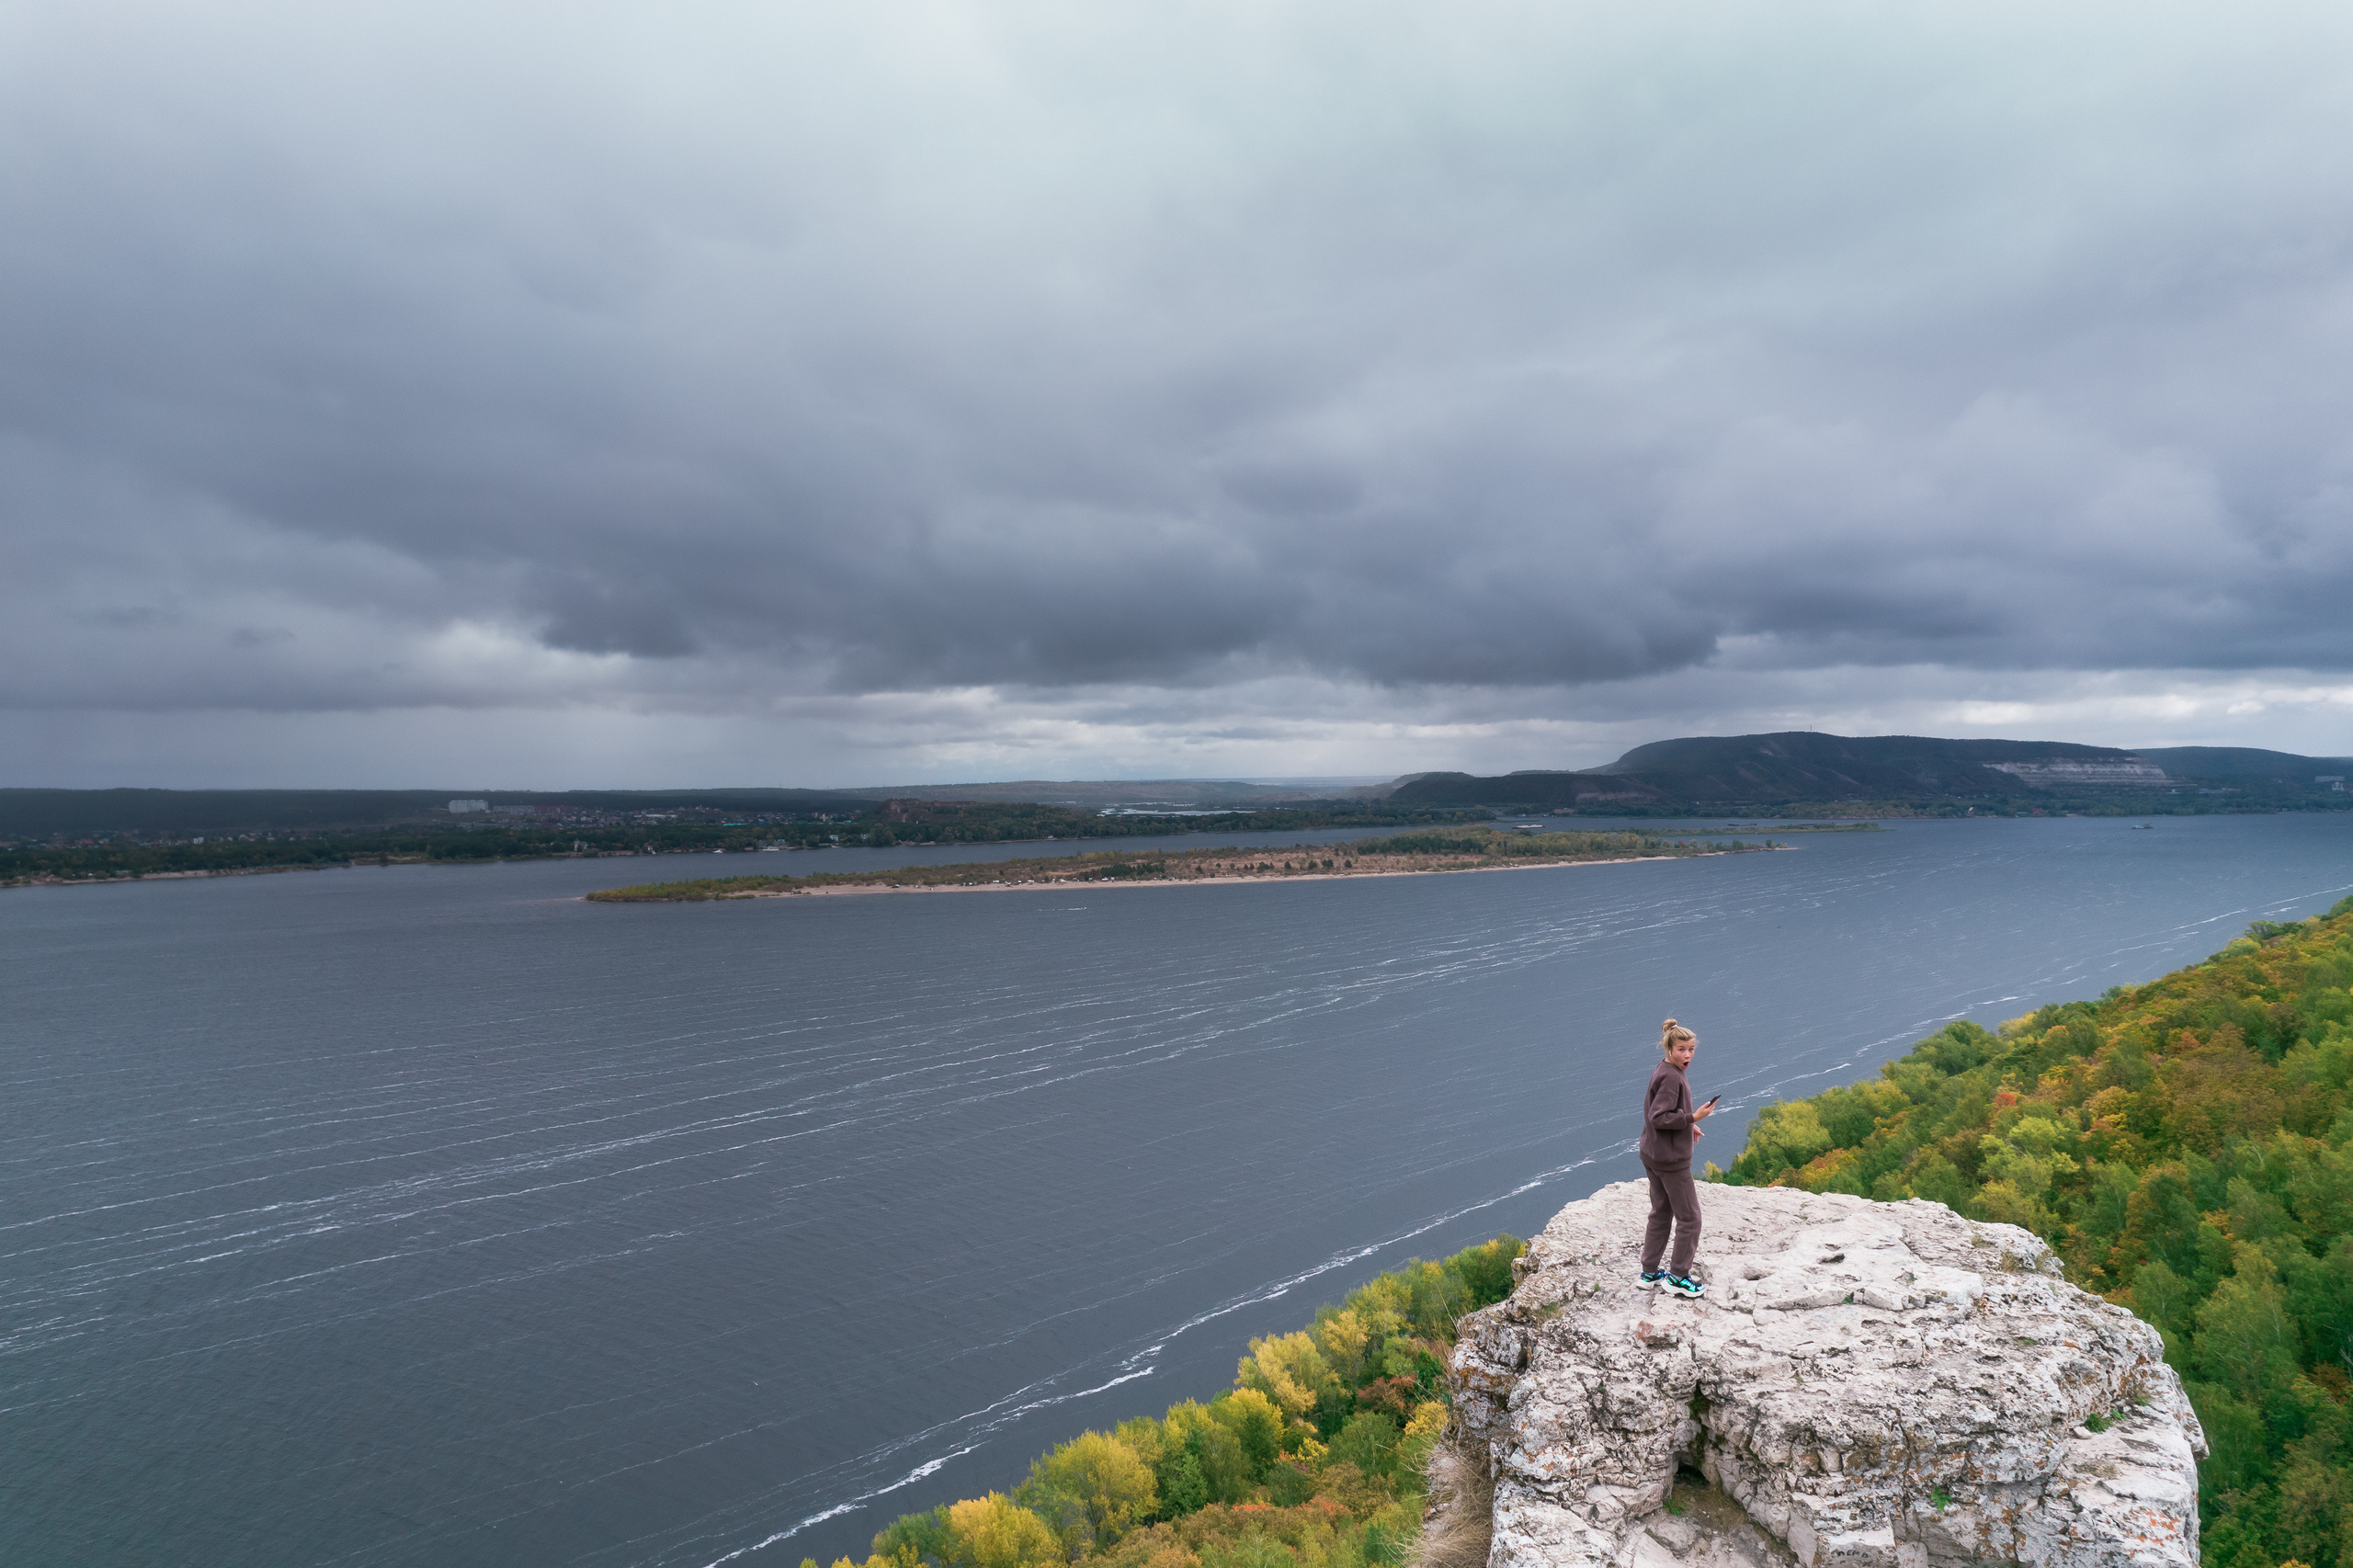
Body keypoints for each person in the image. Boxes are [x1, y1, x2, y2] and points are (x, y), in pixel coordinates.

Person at [1639, 1017, 1716, 1298]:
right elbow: (1659, 1116)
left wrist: (1688, 1124)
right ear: (1670, 1048)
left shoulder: (1663, 1068)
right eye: (1682, 1049)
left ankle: (1649, 1273)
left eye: (1691, 1049)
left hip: (1653, 1153)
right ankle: (1678, 1277)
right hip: (1671, 1161)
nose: (1687, 1055)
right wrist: (1693, 1116)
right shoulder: (1673, 1076)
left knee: (1661, 1212)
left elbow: (1664, 1111)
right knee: (1690, 1218)